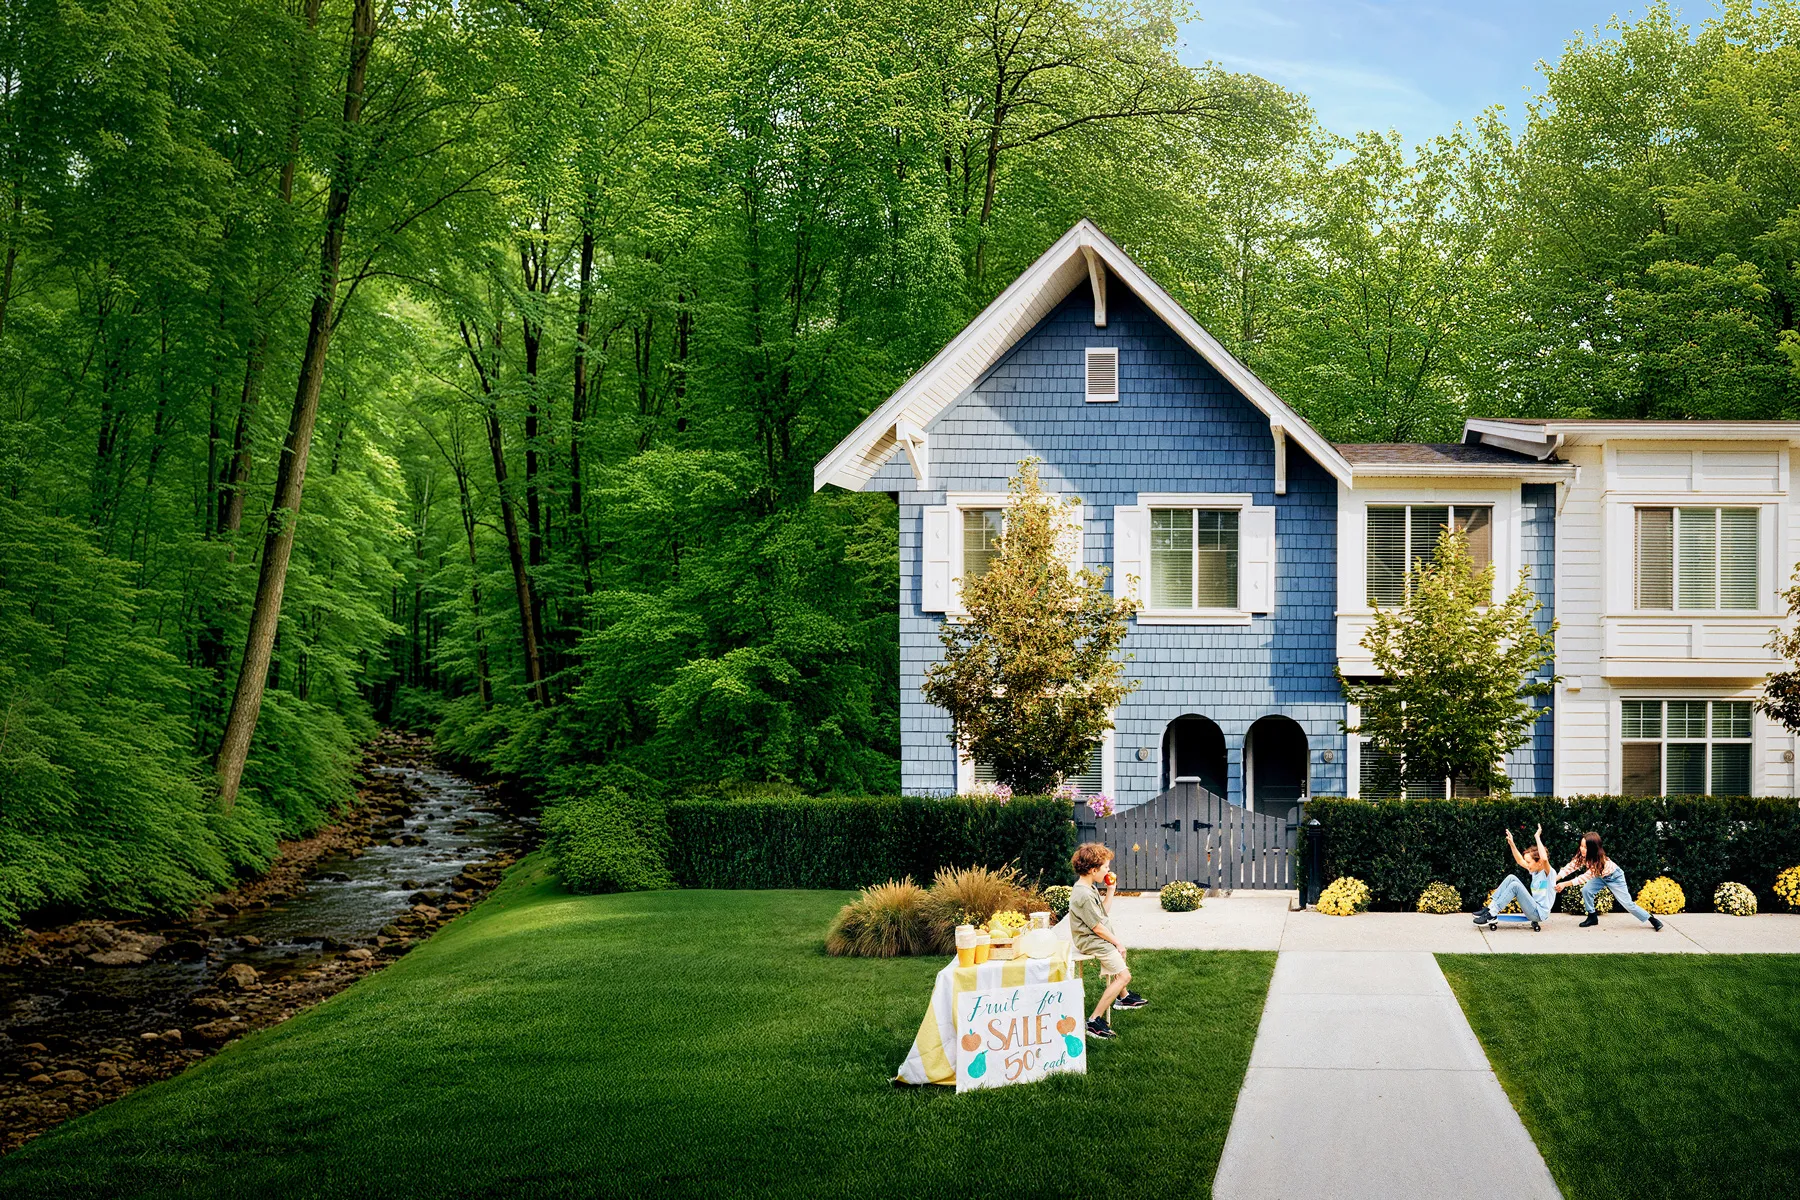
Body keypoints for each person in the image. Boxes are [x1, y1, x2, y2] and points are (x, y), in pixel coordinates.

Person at [1067, 842, 1145, 1041]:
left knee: (1118, 965)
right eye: (1106, 868)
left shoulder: (1088, 887)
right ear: (1093, 869)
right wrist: (1117, 942)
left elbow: (1102, 914)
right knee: (1124, 976)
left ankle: (1123, 998)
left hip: (1096, 937)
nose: (1108, 871)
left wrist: (1111, 890)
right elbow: (1097, 927)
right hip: (1092, 940)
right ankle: (1093, 1021)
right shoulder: (1083, 894)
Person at [1558, 830, 1662, 931]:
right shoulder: (1582, 856)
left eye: (1586, 847)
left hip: (1615, 877)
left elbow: (1584, 877)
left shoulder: (1599, 860)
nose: (1582, 849)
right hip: (1600, 876)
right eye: (1581, 846)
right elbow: (1570, 867)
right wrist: (1555, 879)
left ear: (1593, 848)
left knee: (1627, 904)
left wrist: (1564, 884)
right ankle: (1592, 917)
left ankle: (1651, 919)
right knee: (1587, 890)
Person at [1471, 824, 1557, 926]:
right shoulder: (1534, 870)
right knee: (1511, 877)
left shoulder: (1549, 874)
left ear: (1539, 863)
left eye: (1529, 862)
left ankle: (1492, 914)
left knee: (1515, 886)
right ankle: (1490, 908)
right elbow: (1520, 860)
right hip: (1532, 908)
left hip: (1539, 914)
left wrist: (1537, 837)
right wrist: (1512, 843)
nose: (1527, 865)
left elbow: (1544, 859)